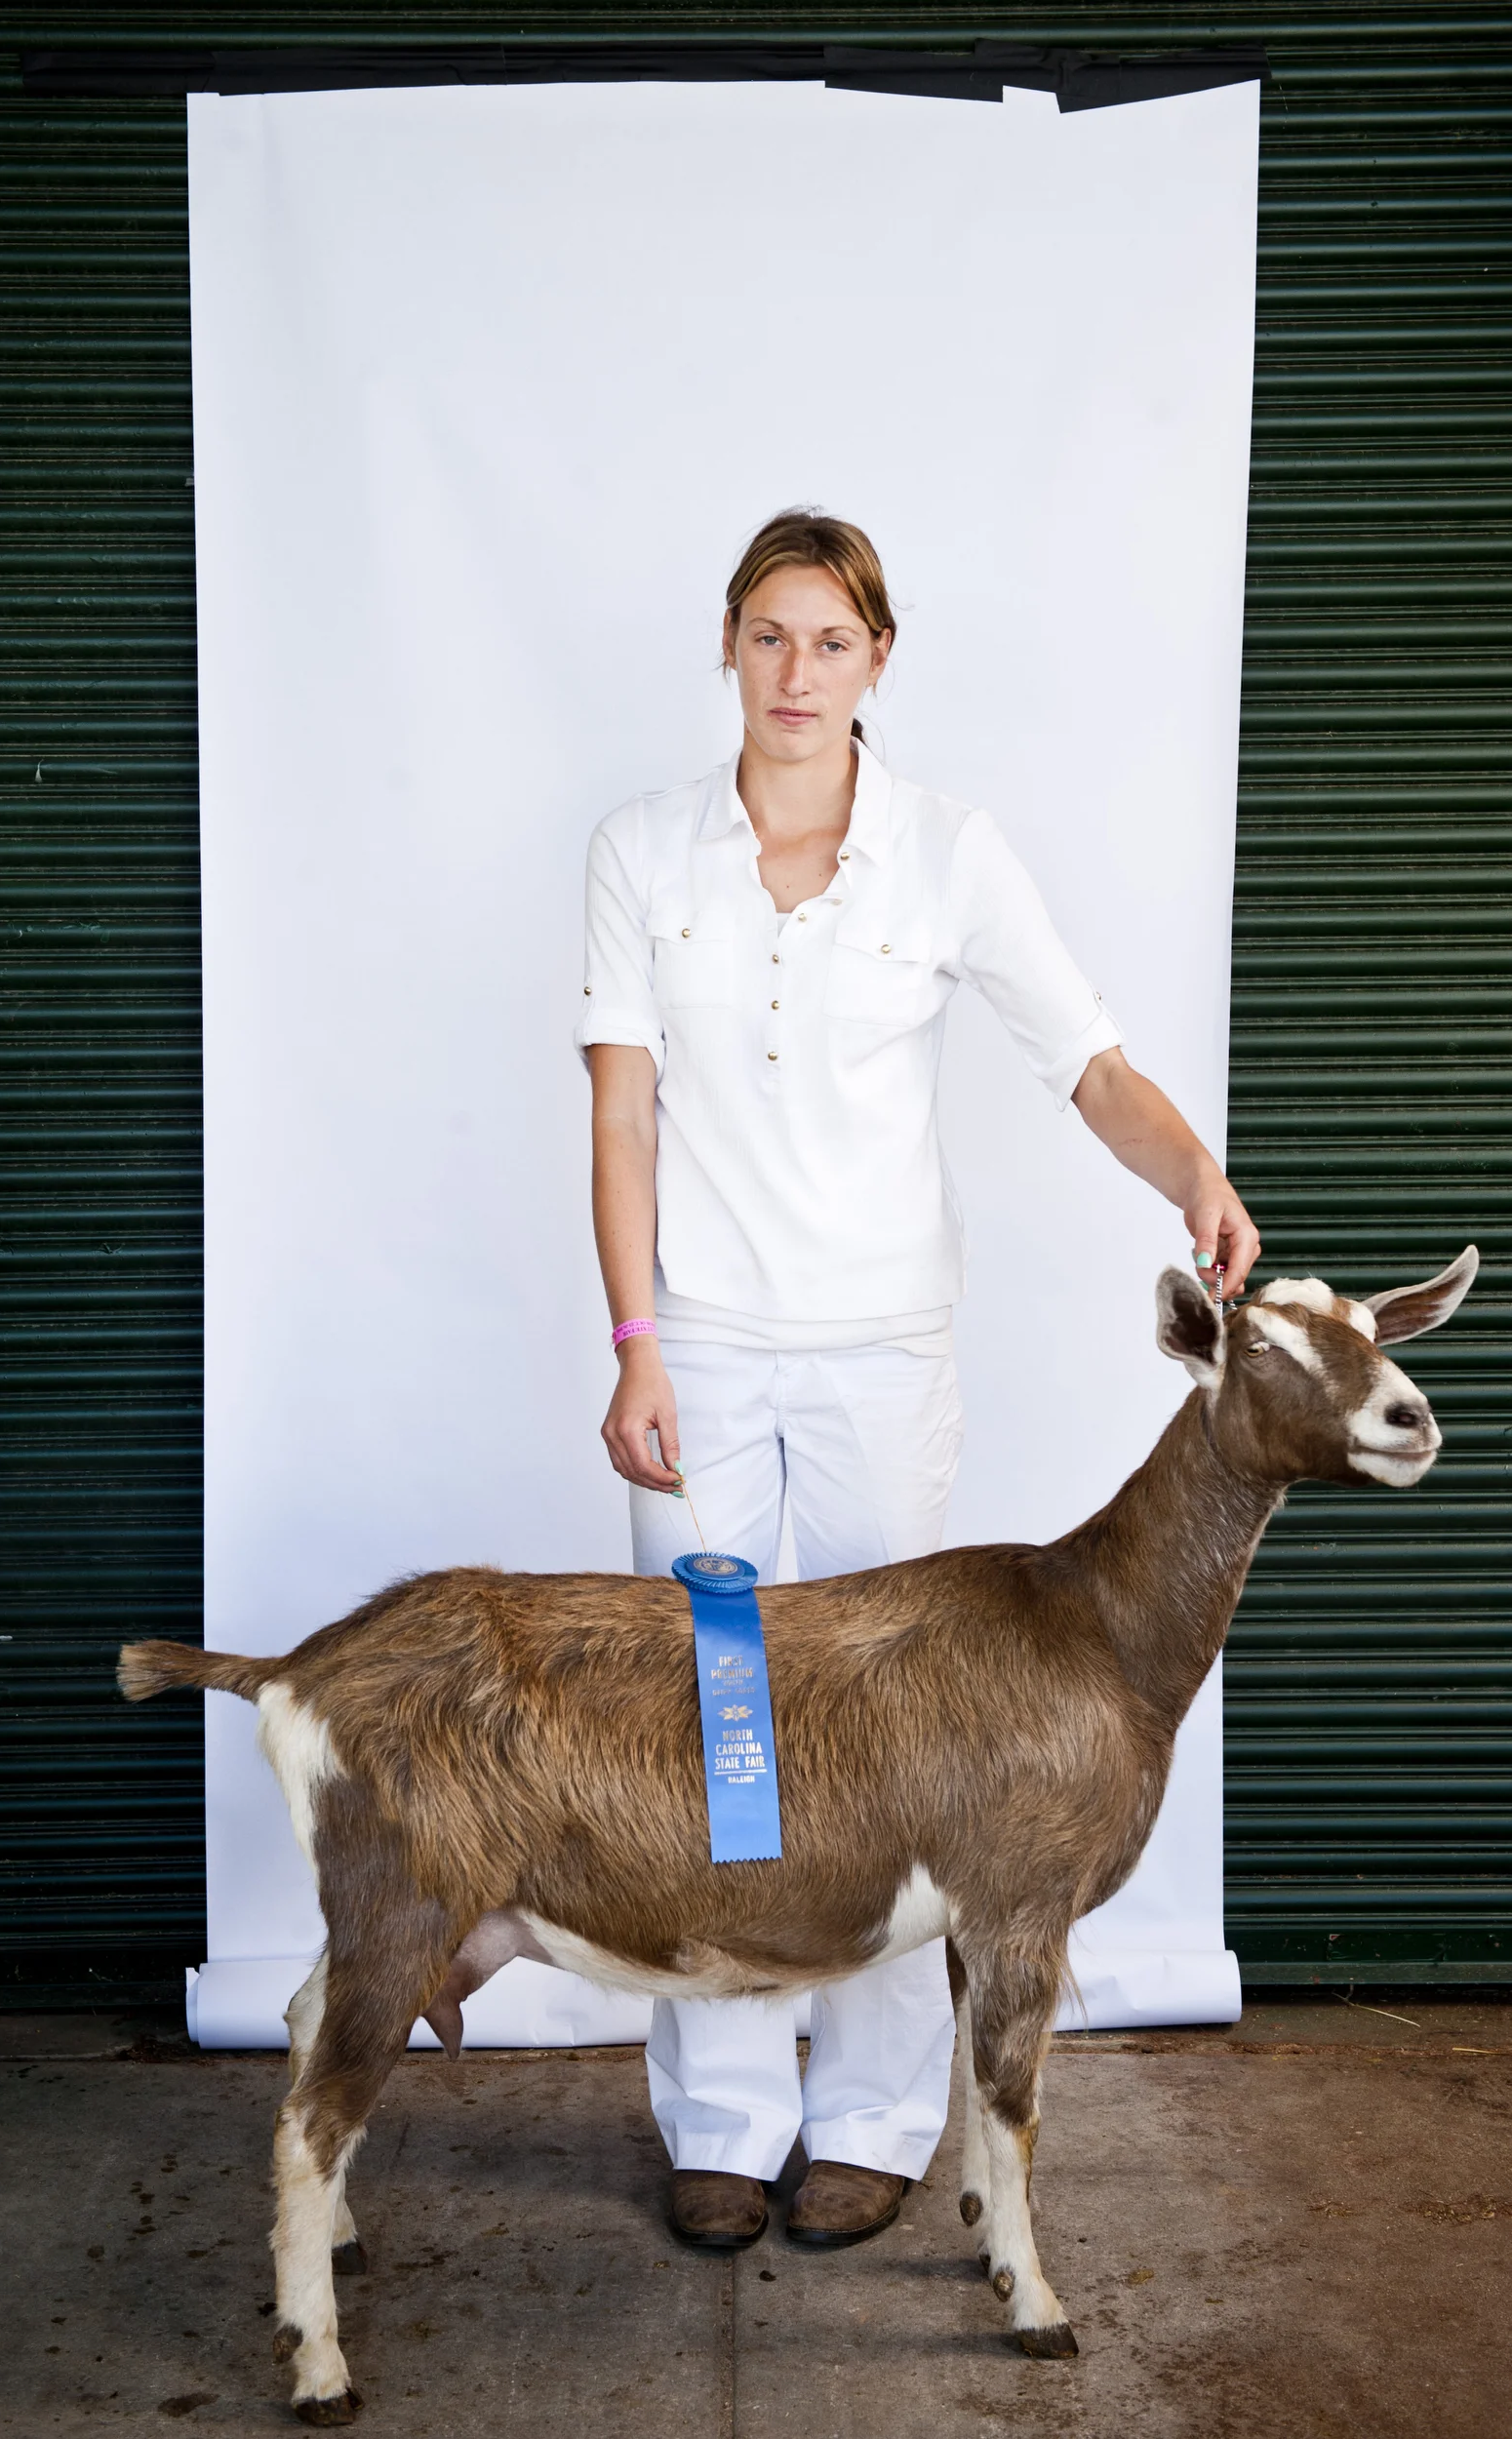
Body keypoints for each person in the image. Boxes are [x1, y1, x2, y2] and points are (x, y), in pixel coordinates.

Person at [575, 508, 1260, 2254]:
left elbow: (1084, 1062)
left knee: (891, 1744)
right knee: (721, 1738)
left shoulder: (949, 854)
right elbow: (623, 1113)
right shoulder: (644, 852)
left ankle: (873, 2119)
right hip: (703, 1361)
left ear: (879, 658)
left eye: (829, 640)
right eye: (765, 637)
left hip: (885, 1357)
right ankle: (722, 2116)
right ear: (724, 650)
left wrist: (1191, 1176)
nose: (794, 673)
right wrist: (638, 1346)